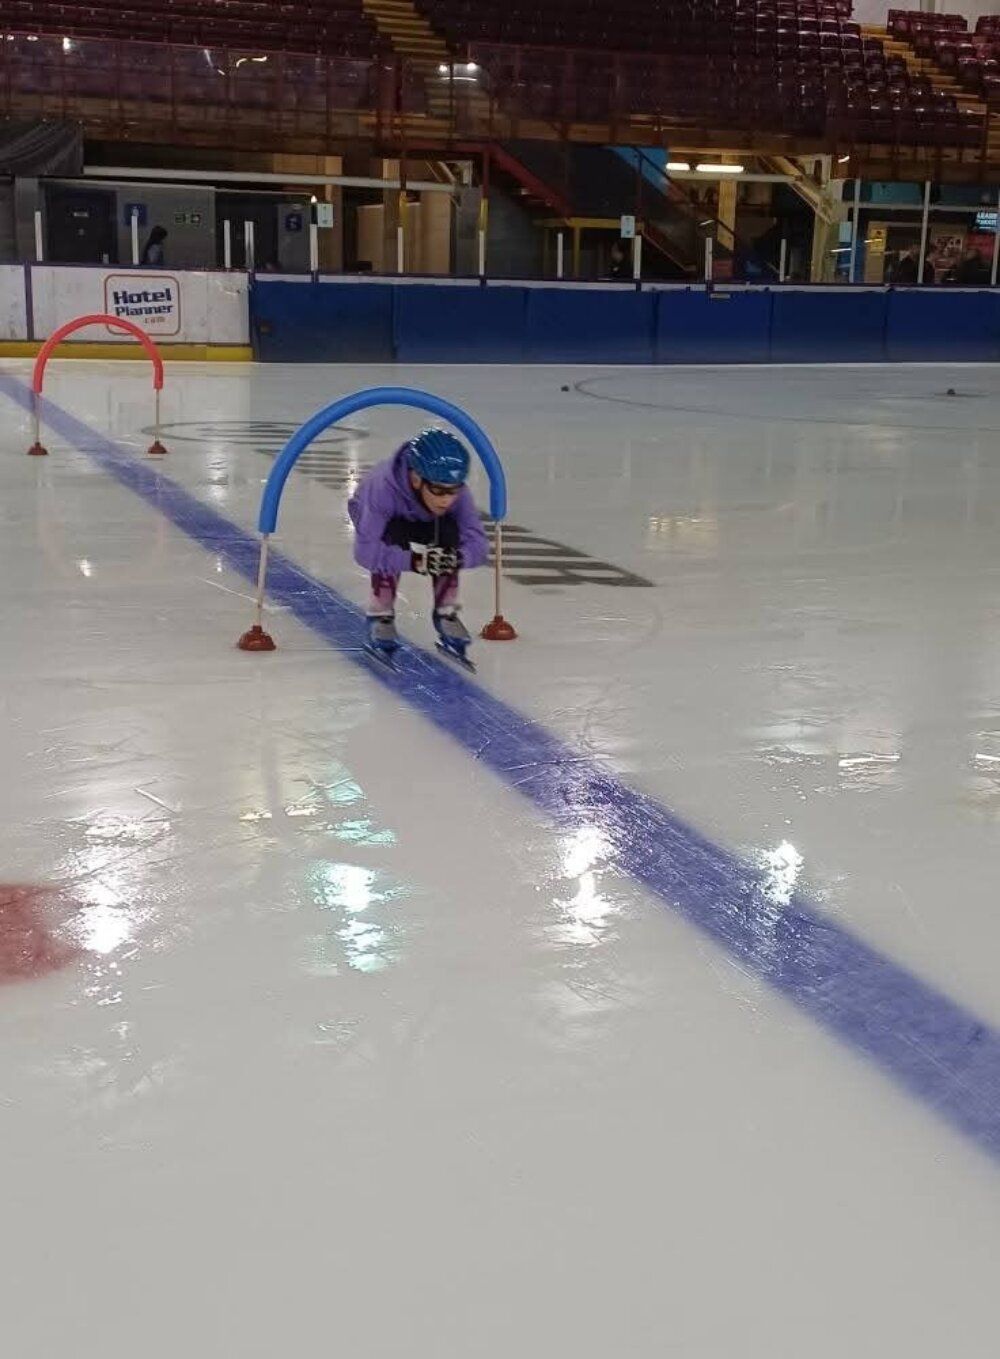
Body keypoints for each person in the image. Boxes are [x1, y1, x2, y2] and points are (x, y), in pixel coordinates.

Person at [347, 428, 490, 663]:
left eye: (453, 490)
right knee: (389, 535)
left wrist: (455, 558)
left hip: (425, 520)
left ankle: (446, 611)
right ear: (415, 478)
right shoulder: (382, 489)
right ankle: (380, 614)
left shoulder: (455, 492)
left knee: (449, 532)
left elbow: (479, 545)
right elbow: (366, 553)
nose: (447, 499)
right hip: (380, 520)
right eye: (438, 490)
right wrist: (415, 562)